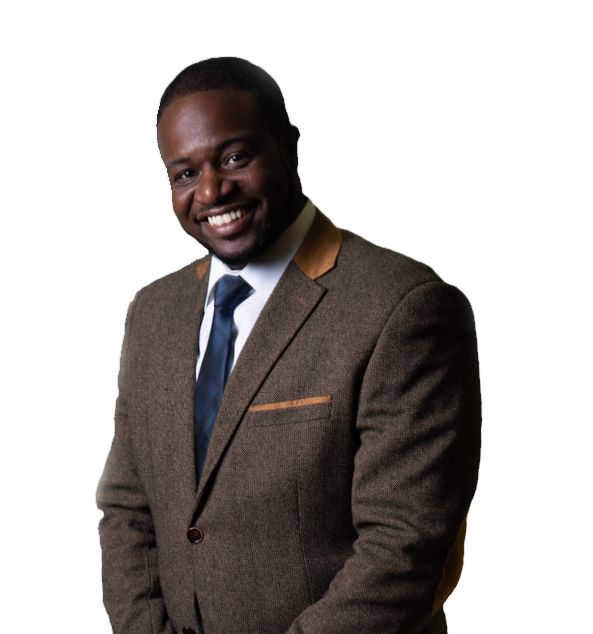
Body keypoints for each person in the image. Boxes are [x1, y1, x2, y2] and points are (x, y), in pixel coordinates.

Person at [96, 56, 481, 634]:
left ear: (289, 148)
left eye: (234, 157)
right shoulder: (150, 313)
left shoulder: (403, 307)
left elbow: (405, 549)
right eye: (184, 173)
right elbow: (127, 507)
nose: (211, 191)